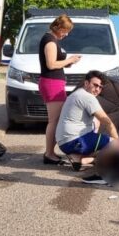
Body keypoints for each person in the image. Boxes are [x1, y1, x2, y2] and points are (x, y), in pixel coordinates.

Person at [55, 70, 119, 183]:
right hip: (74, 141)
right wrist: (118, 144)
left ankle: (79, 159)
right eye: (95, 85)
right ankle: (104, 176)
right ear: (86, 83)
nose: (98, 89)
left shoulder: (77, 93)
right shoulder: (88, 97)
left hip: (63, 142)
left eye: (100, 87)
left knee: (95, 122)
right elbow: (108, 122)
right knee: (113, 144)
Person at [38, 14, 82, 165]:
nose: (66, 34)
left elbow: (55, 62)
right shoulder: (50, 41)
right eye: (65, 30)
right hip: (51, 83)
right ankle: (49, 153)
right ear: (57, 27)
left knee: (56, 120)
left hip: (54, 81)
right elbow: (50, 64)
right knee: (54, 120)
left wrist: (67, 63)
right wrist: (69, 60)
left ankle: (51, 152)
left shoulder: (52, 40)